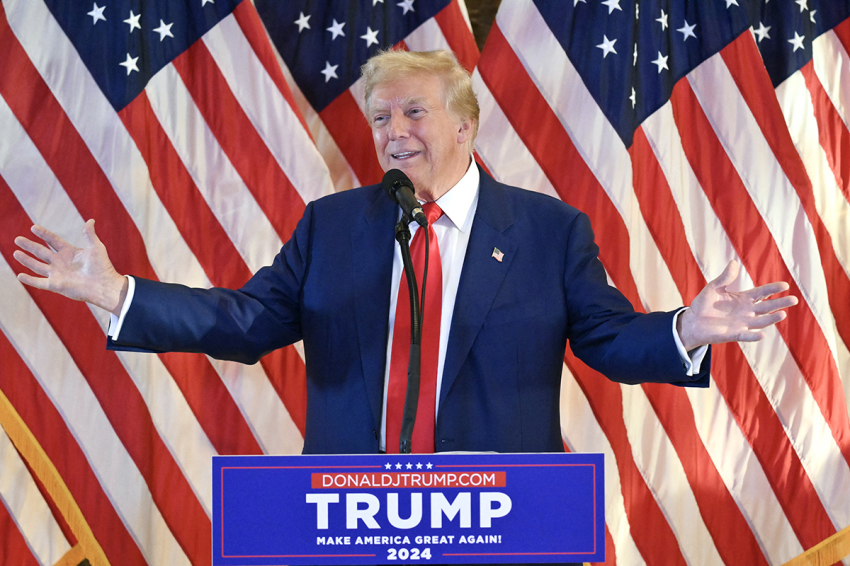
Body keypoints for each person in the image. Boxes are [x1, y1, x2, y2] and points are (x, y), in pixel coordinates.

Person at [12, 50, 797, 456]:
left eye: (413, 112)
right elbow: (246, 321)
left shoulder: (549, 230)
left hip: (494, 526)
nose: (393, 132)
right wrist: (119, 291)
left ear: (465, 125)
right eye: (381, 117)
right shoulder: (332, 226)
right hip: (353, 523)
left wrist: (686, 329)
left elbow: (608, 339)